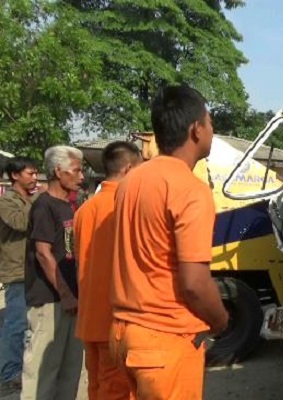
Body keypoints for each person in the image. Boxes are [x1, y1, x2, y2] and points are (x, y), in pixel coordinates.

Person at [110, 85, 229, 399]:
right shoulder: (190, 189)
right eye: (211, 123)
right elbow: (194, 283)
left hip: (124, 334)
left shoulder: (130, 182)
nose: (213, 132)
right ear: (196, 130)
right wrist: (219, 320)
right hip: (165, 340)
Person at [74, 141, 142, 400]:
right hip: (114, 320)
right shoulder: (124, 207)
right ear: (127, 169)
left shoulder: (84, 210)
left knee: (97, 387)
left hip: (90, 316)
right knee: (117, 390)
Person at [22, 146, 84, 400]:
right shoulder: (43, 206)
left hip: (70, 300)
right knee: (42, 370)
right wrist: (65, 293)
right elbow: (43, 253)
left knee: (70, 369)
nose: (81, 176)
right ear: (58, 171)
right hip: (50, 300)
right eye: (77, 170)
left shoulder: (67, 206)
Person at [0, 157, 38, 395]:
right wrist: (37, 200)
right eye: (30, 174)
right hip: (16, 271)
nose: (34, 178)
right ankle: (9, 373)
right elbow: (21, 222)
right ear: (15, 176)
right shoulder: (7, 202)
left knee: (29, 324)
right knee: (15, 324)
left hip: (32, 270)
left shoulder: (27, 199)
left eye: (35, 174)